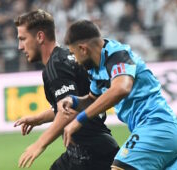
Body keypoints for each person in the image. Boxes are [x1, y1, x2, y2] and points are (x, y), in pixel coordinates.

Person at [59, 20, 177, 169]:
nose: (75, 60)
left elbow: (121, 89)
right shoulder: (95, 69)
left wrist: (79, 120)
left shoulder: (117, 54)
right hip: (171, 133)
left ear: (83, 49)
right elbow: (93, 100)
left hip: (156, 127)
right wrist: (74, 101)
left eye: (73, 53)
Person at [14, 9, 119, 169]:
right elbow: (73, 103)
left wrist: (40, 143)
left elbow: (68, 111)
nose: (20, 47)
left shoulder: (55, 66)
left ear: (40, 37)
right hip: (86, 150)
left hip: (91, 154)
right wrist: (39, 119)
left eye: (23, 39)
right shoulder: (66, 56)